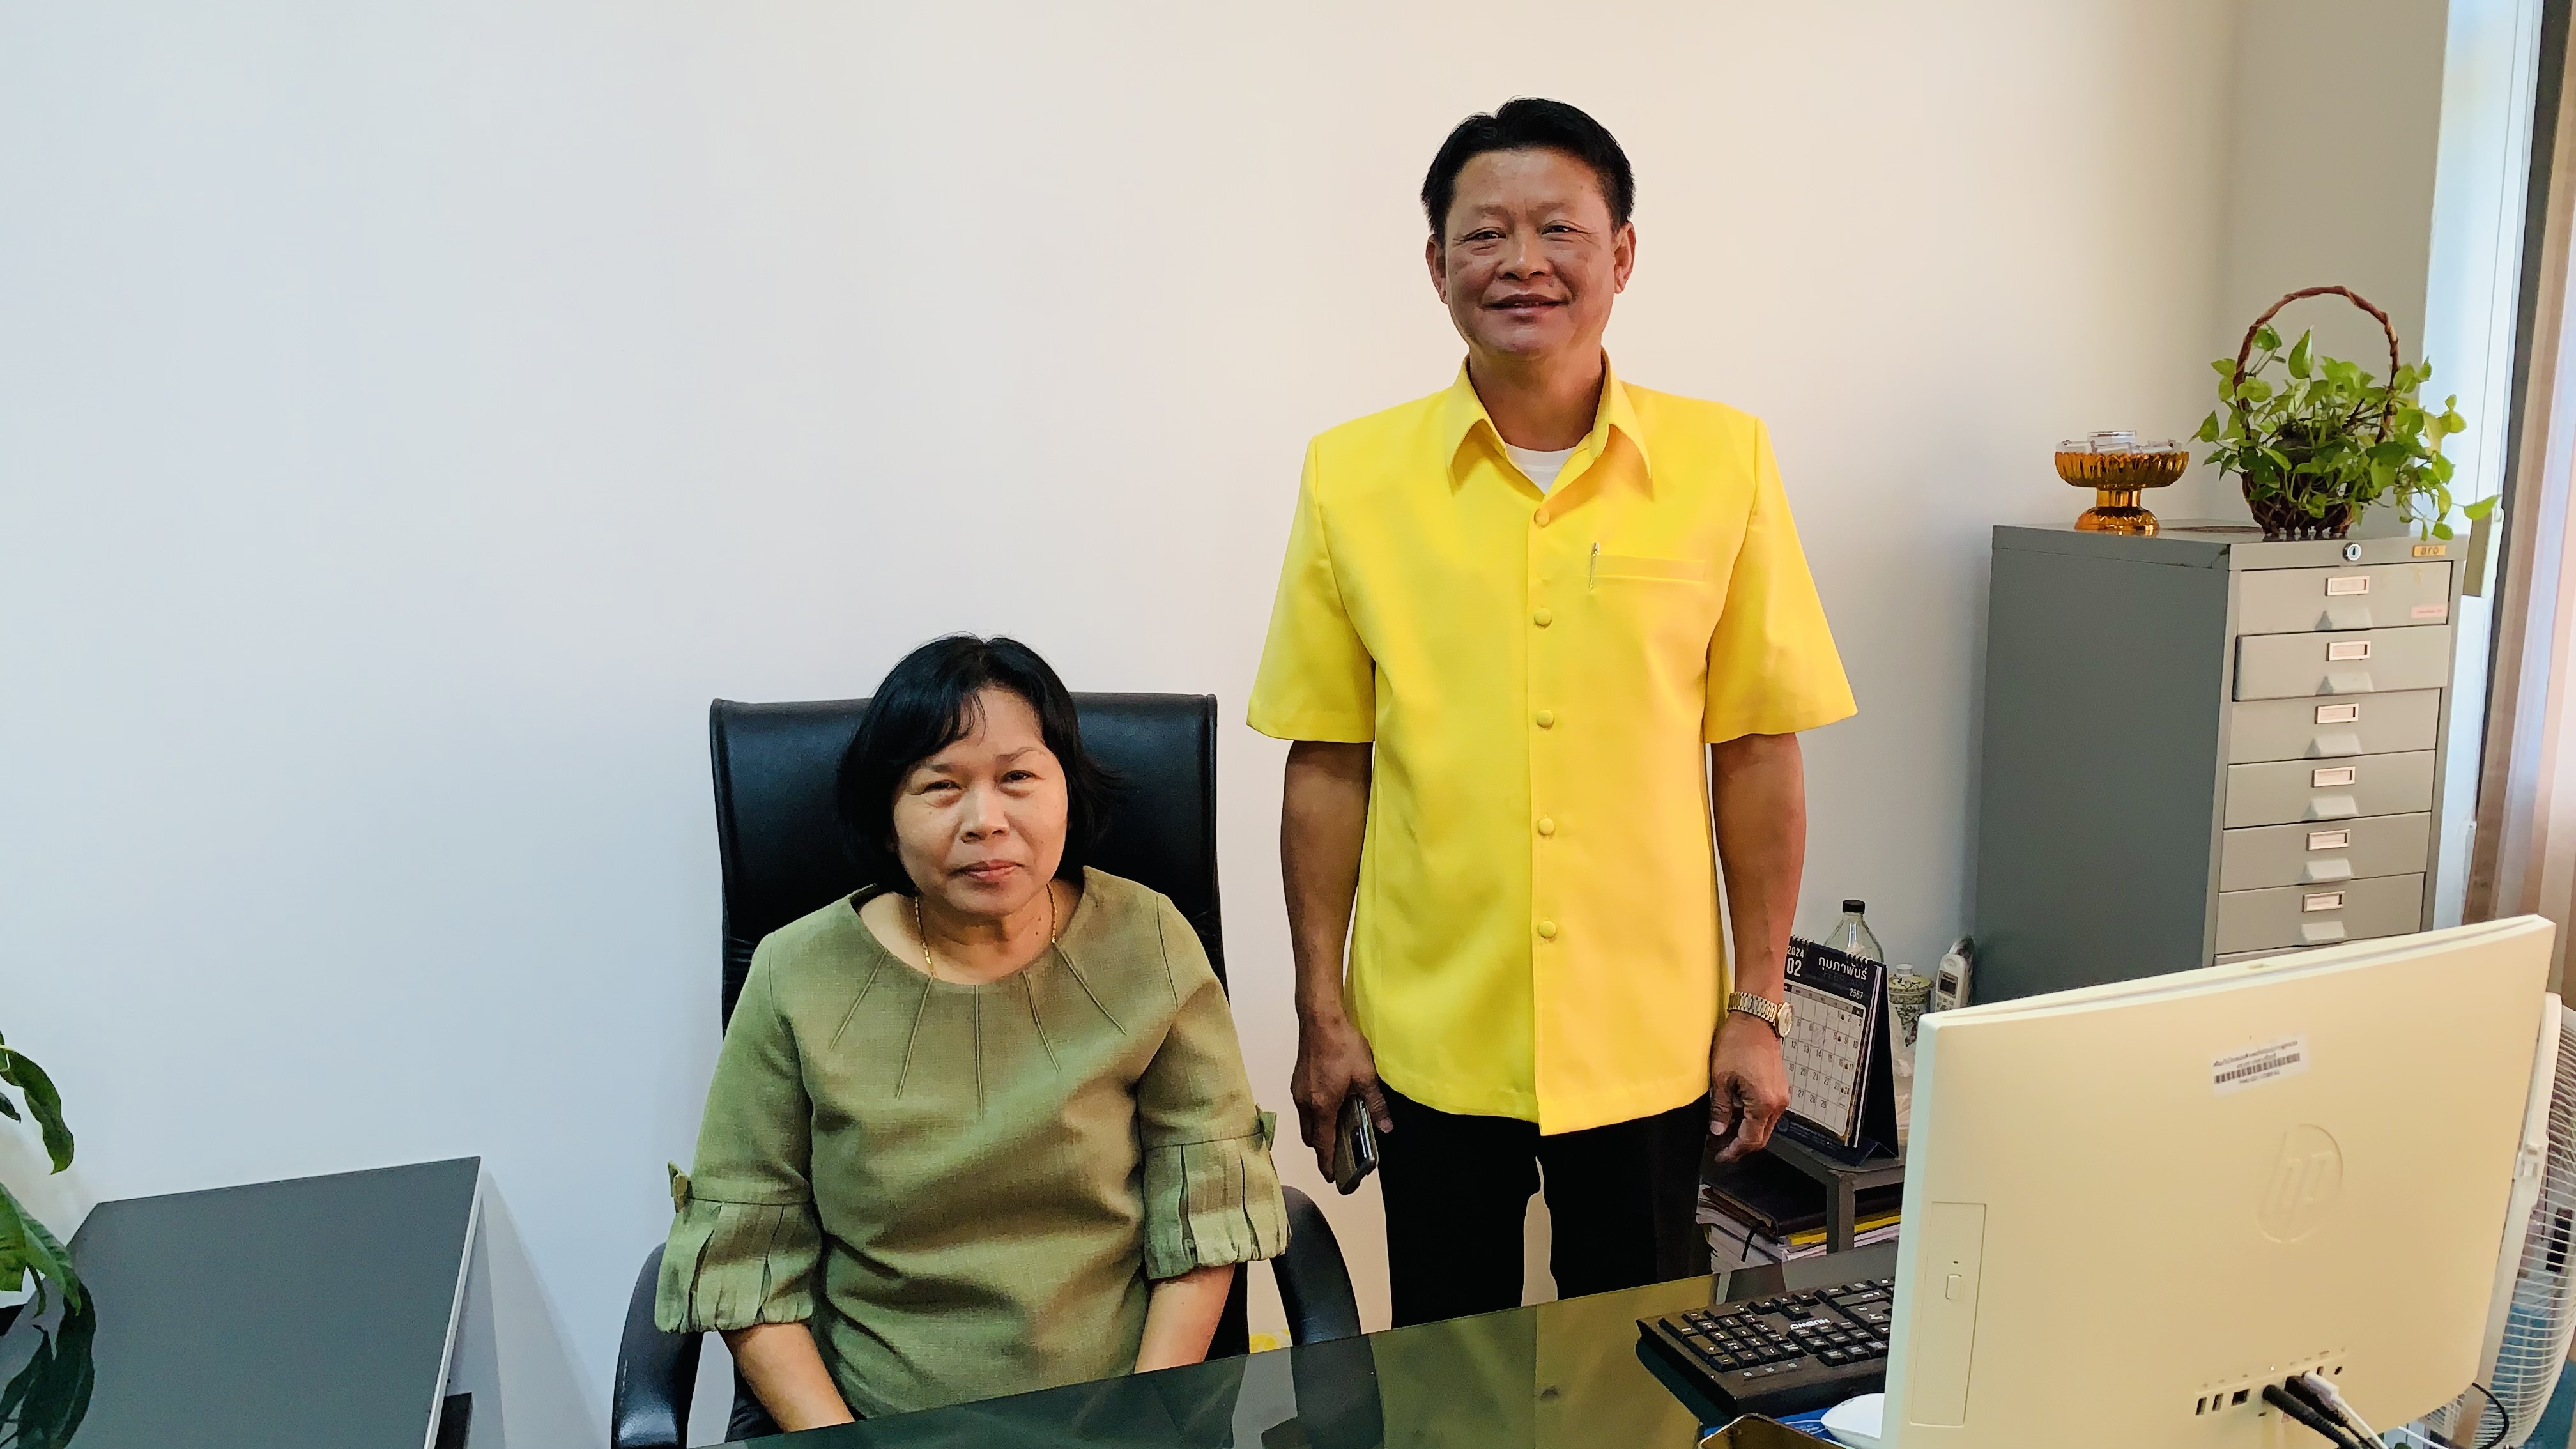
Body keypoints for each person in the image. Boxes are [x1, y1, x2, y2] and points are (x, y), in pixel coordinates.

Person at [1248, 98, 1857, 1326]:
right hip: (1430, 1038)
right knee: (1448, 1369)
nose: (1521, 261)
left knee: (1634, 1369)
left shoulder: (1722, 464)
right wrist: (1324, 1011)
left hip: (1649, 1037)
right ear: (1436, 264)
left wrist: (1758, 1008)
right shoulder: (1351, 476)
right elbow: (1328, 762)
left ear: (1620, 254)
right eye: (1484, 234)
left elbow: (1755, 751)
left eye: (1558, 229)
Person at [657, 635, 1287, 1426]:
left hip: (1120, 1411)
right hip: (876, 1423)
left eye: (1018, 777)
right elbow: (746, 1253)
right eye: (941, 786)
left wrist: (1144, 1420)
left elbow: (1206, 1212)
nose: (986, 821)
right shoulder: (795, 973)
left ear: (1067, 789)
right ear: (887, 815)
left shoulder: (1148, 939)